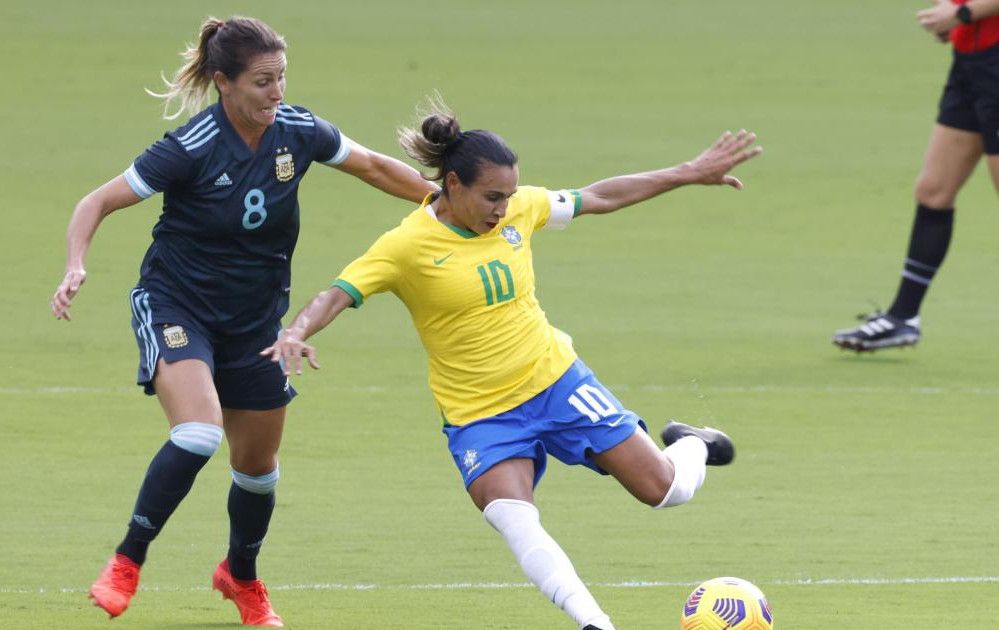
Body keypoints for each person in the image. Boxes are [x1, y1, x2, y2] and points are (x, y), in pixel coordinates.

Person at [262, 101, 761, 630]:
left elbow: (602, 195)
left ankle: (694, 444)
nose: (504, 207)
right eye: (492, 196)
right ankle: (595, 623)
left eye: (509, 195)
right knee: (512, 515)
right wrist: (296, 331)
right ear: (453, 185)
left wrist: (689, 173)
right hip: (480, 415)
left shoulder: (521, 209)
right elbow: (338, 293)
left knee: (665, 491)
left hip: (555, 381)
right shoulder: (406, 245)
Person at [49, 16, 435, 625]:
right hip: (178, 305)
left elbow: (374, 167)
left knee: (257, 472)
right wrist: (76, 264)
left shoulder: (298, 130)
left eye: (281, 78)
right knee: (198, 434)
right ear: (224, 82)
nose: (276, 93)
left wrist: (440, 202)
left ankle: (241, 576)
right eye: (262, 82)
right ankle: (127, 561)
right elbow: (96, 202)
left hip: (256, 322)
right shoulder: (189, 147)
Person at [833, 0, 999, 352]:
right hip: (971, 62)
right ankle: (903, 317)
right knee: (933, 191)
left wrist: (963, 13)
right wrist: (953, 15)